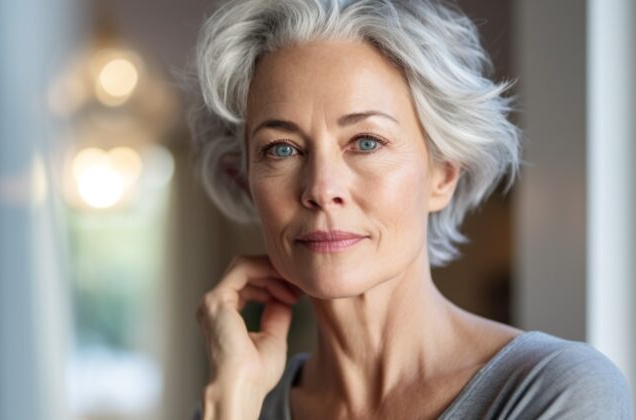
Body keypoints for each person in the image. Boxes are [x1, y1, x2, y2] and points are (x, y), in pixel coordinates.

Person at [186, 0, 634, 418]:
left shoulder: (558, 390)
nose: (321, 188)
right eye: (282, 148)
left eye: (366, 142)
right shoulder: (240, 400)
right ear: (245, 180)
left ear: (443, 176)